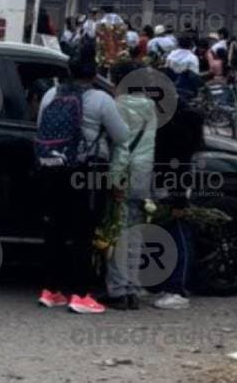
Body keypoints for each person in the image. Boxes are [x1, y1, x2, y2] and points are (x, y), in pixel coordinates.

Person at [37, 47, 130, 316]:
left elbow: (41, 126)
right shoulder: (100, 99)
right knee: (82, 233)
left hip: (52, 168)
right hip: (86, 173)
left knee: (54, 230)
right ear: (94, 73)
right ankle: (80, 294)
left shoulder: (51, 94)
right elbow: (122, 136)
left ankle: (50, 291)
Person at [103, 59, 158, 311]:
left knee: (117, 233)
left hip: (124, 174)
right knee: (136, 235)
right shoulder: (150, 107)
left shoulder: (118, 106)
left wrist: (115, 179)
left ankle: (118, 291)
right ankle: (133, 289)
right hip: (143, 176)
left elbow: (122, 148)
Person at [165, 36, 203, 101]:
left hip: (171, 88)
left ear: (178, 44)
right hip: (187, 89)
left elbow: (166, 70)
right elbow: (194, 76)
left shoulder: (171, 55)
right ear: (190, 45)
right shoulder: (192, 58)